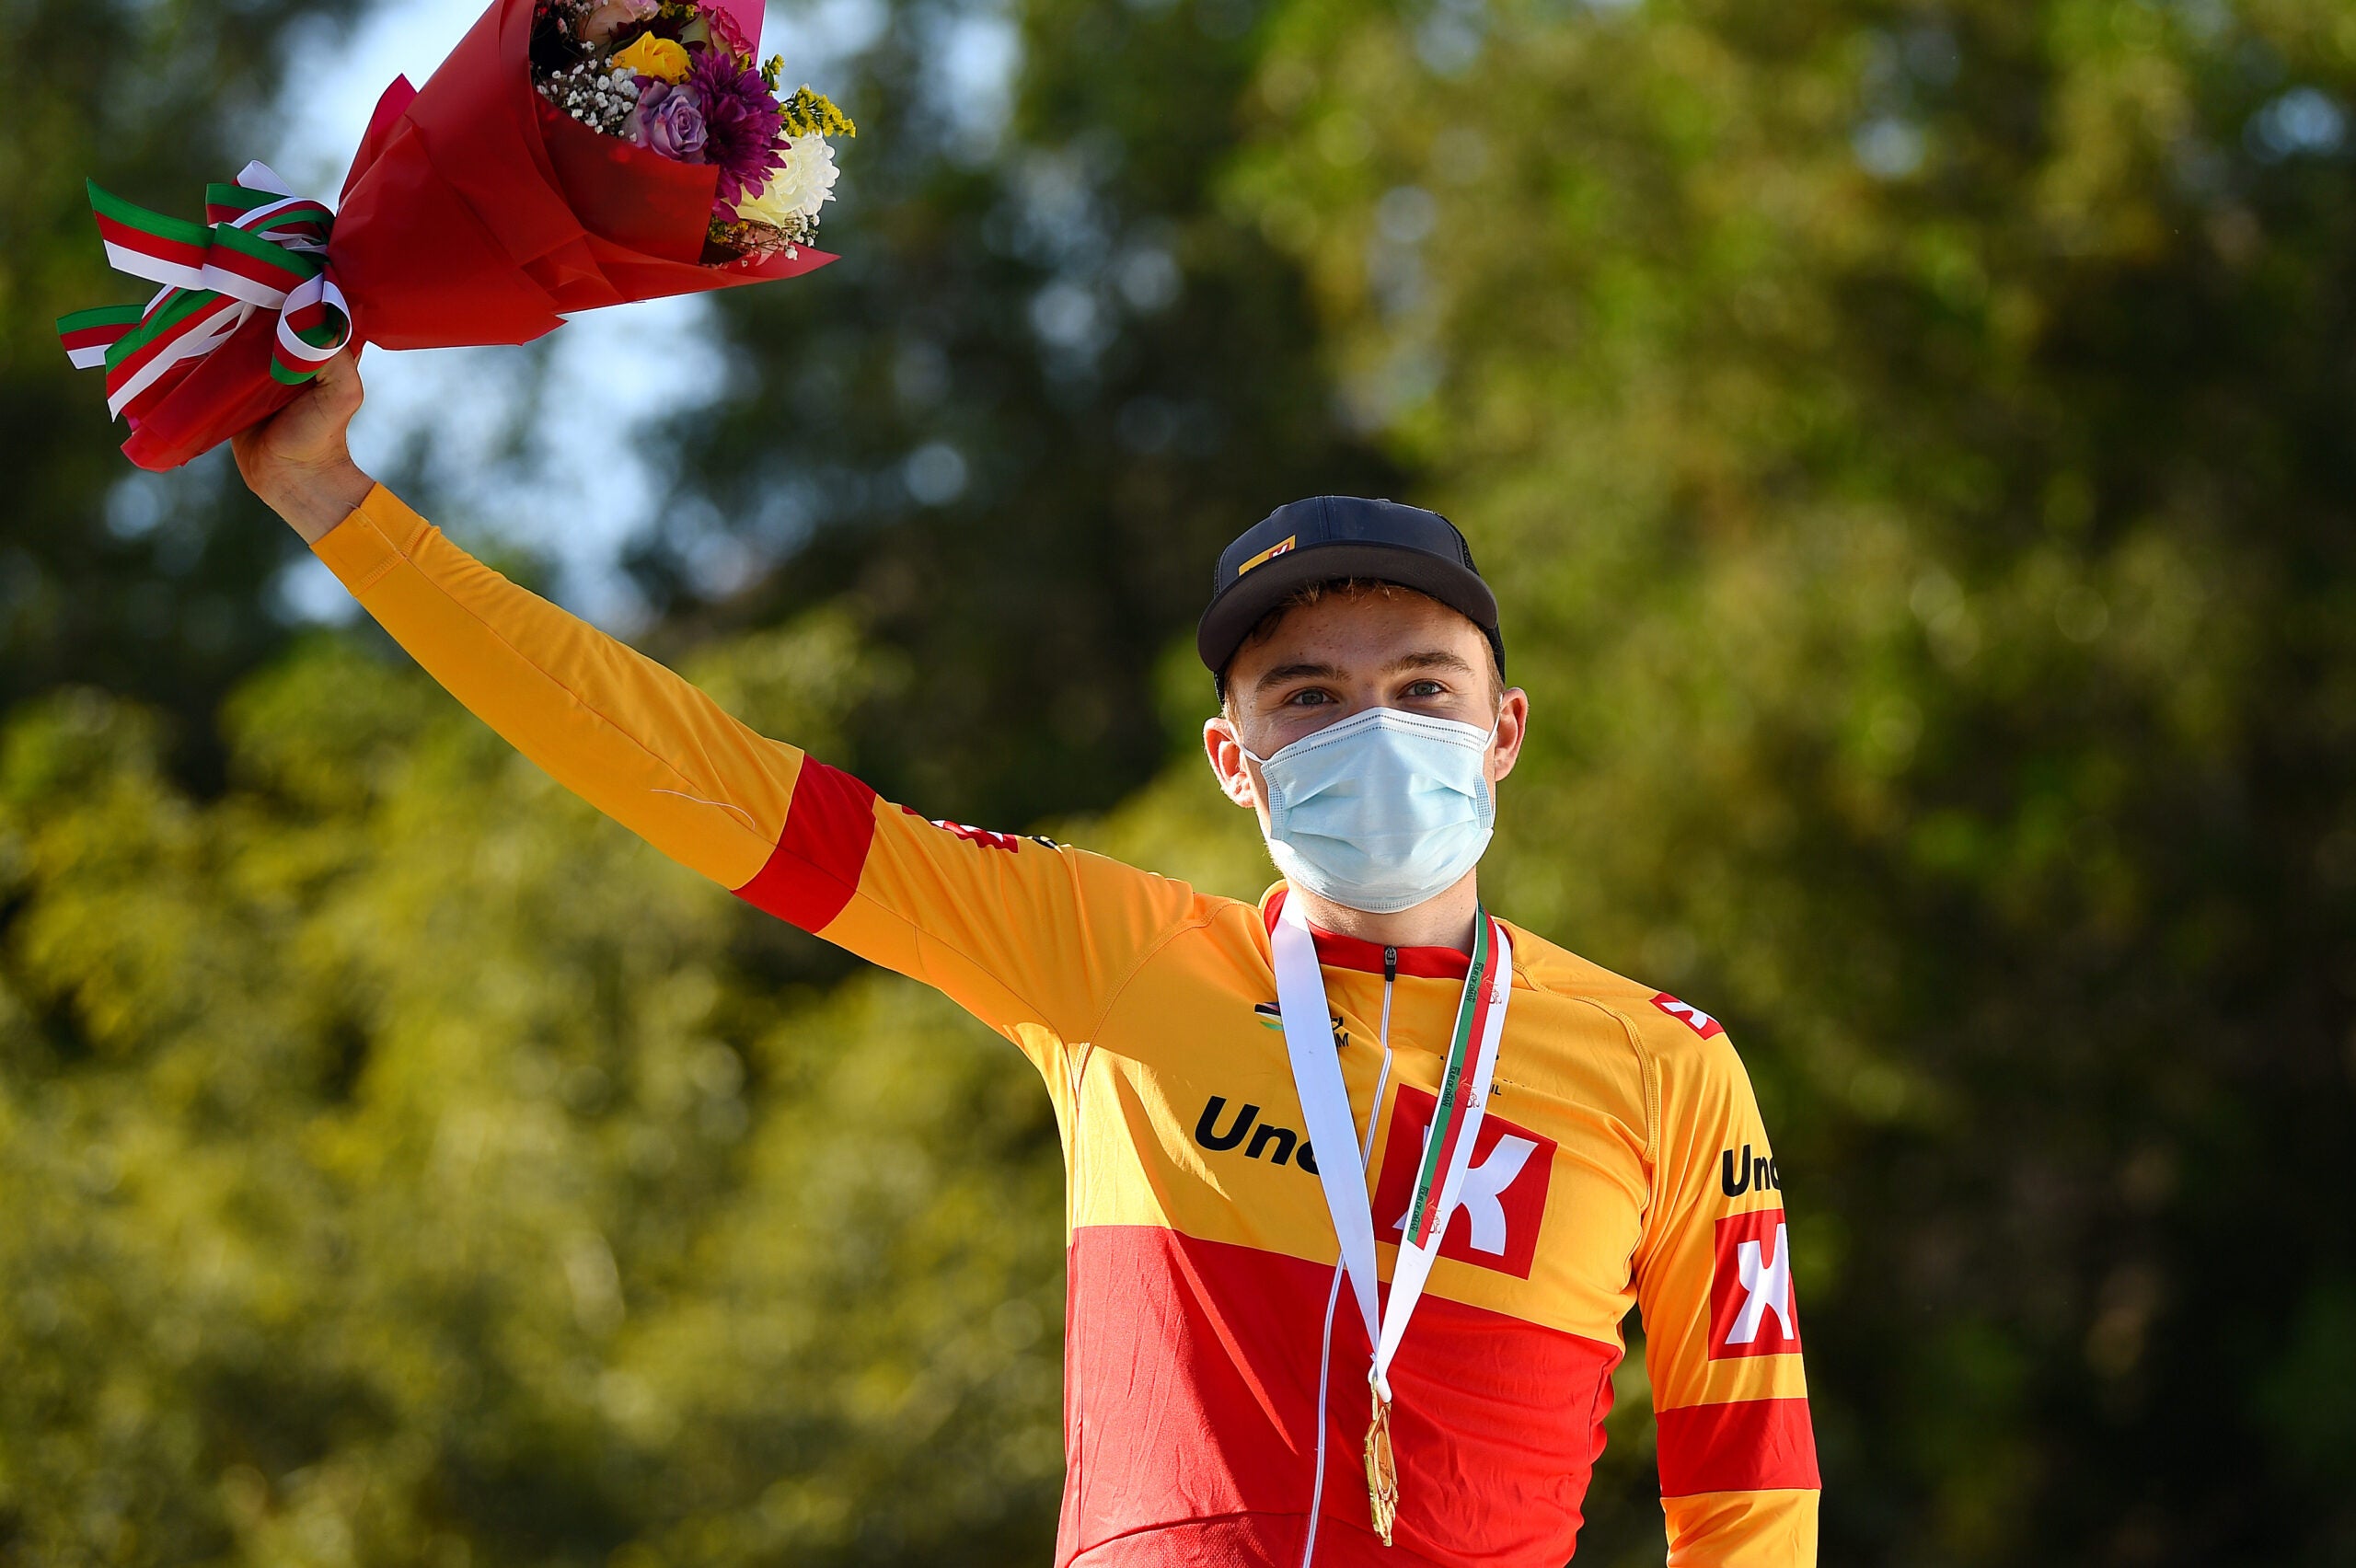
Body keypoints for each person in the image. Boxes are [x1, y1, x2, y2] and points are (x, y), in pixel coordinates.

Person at [234, 353, 1819, 1568]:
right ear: (1233, 757)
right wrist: (338, 508)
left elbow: (1749, 1488)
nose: (1375, 729)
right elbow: (700, 777)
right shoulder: (1113, 958)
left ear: (1506, 730)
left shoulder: (1663, 1065)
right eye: (1309, 699)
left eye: (1422, 684)